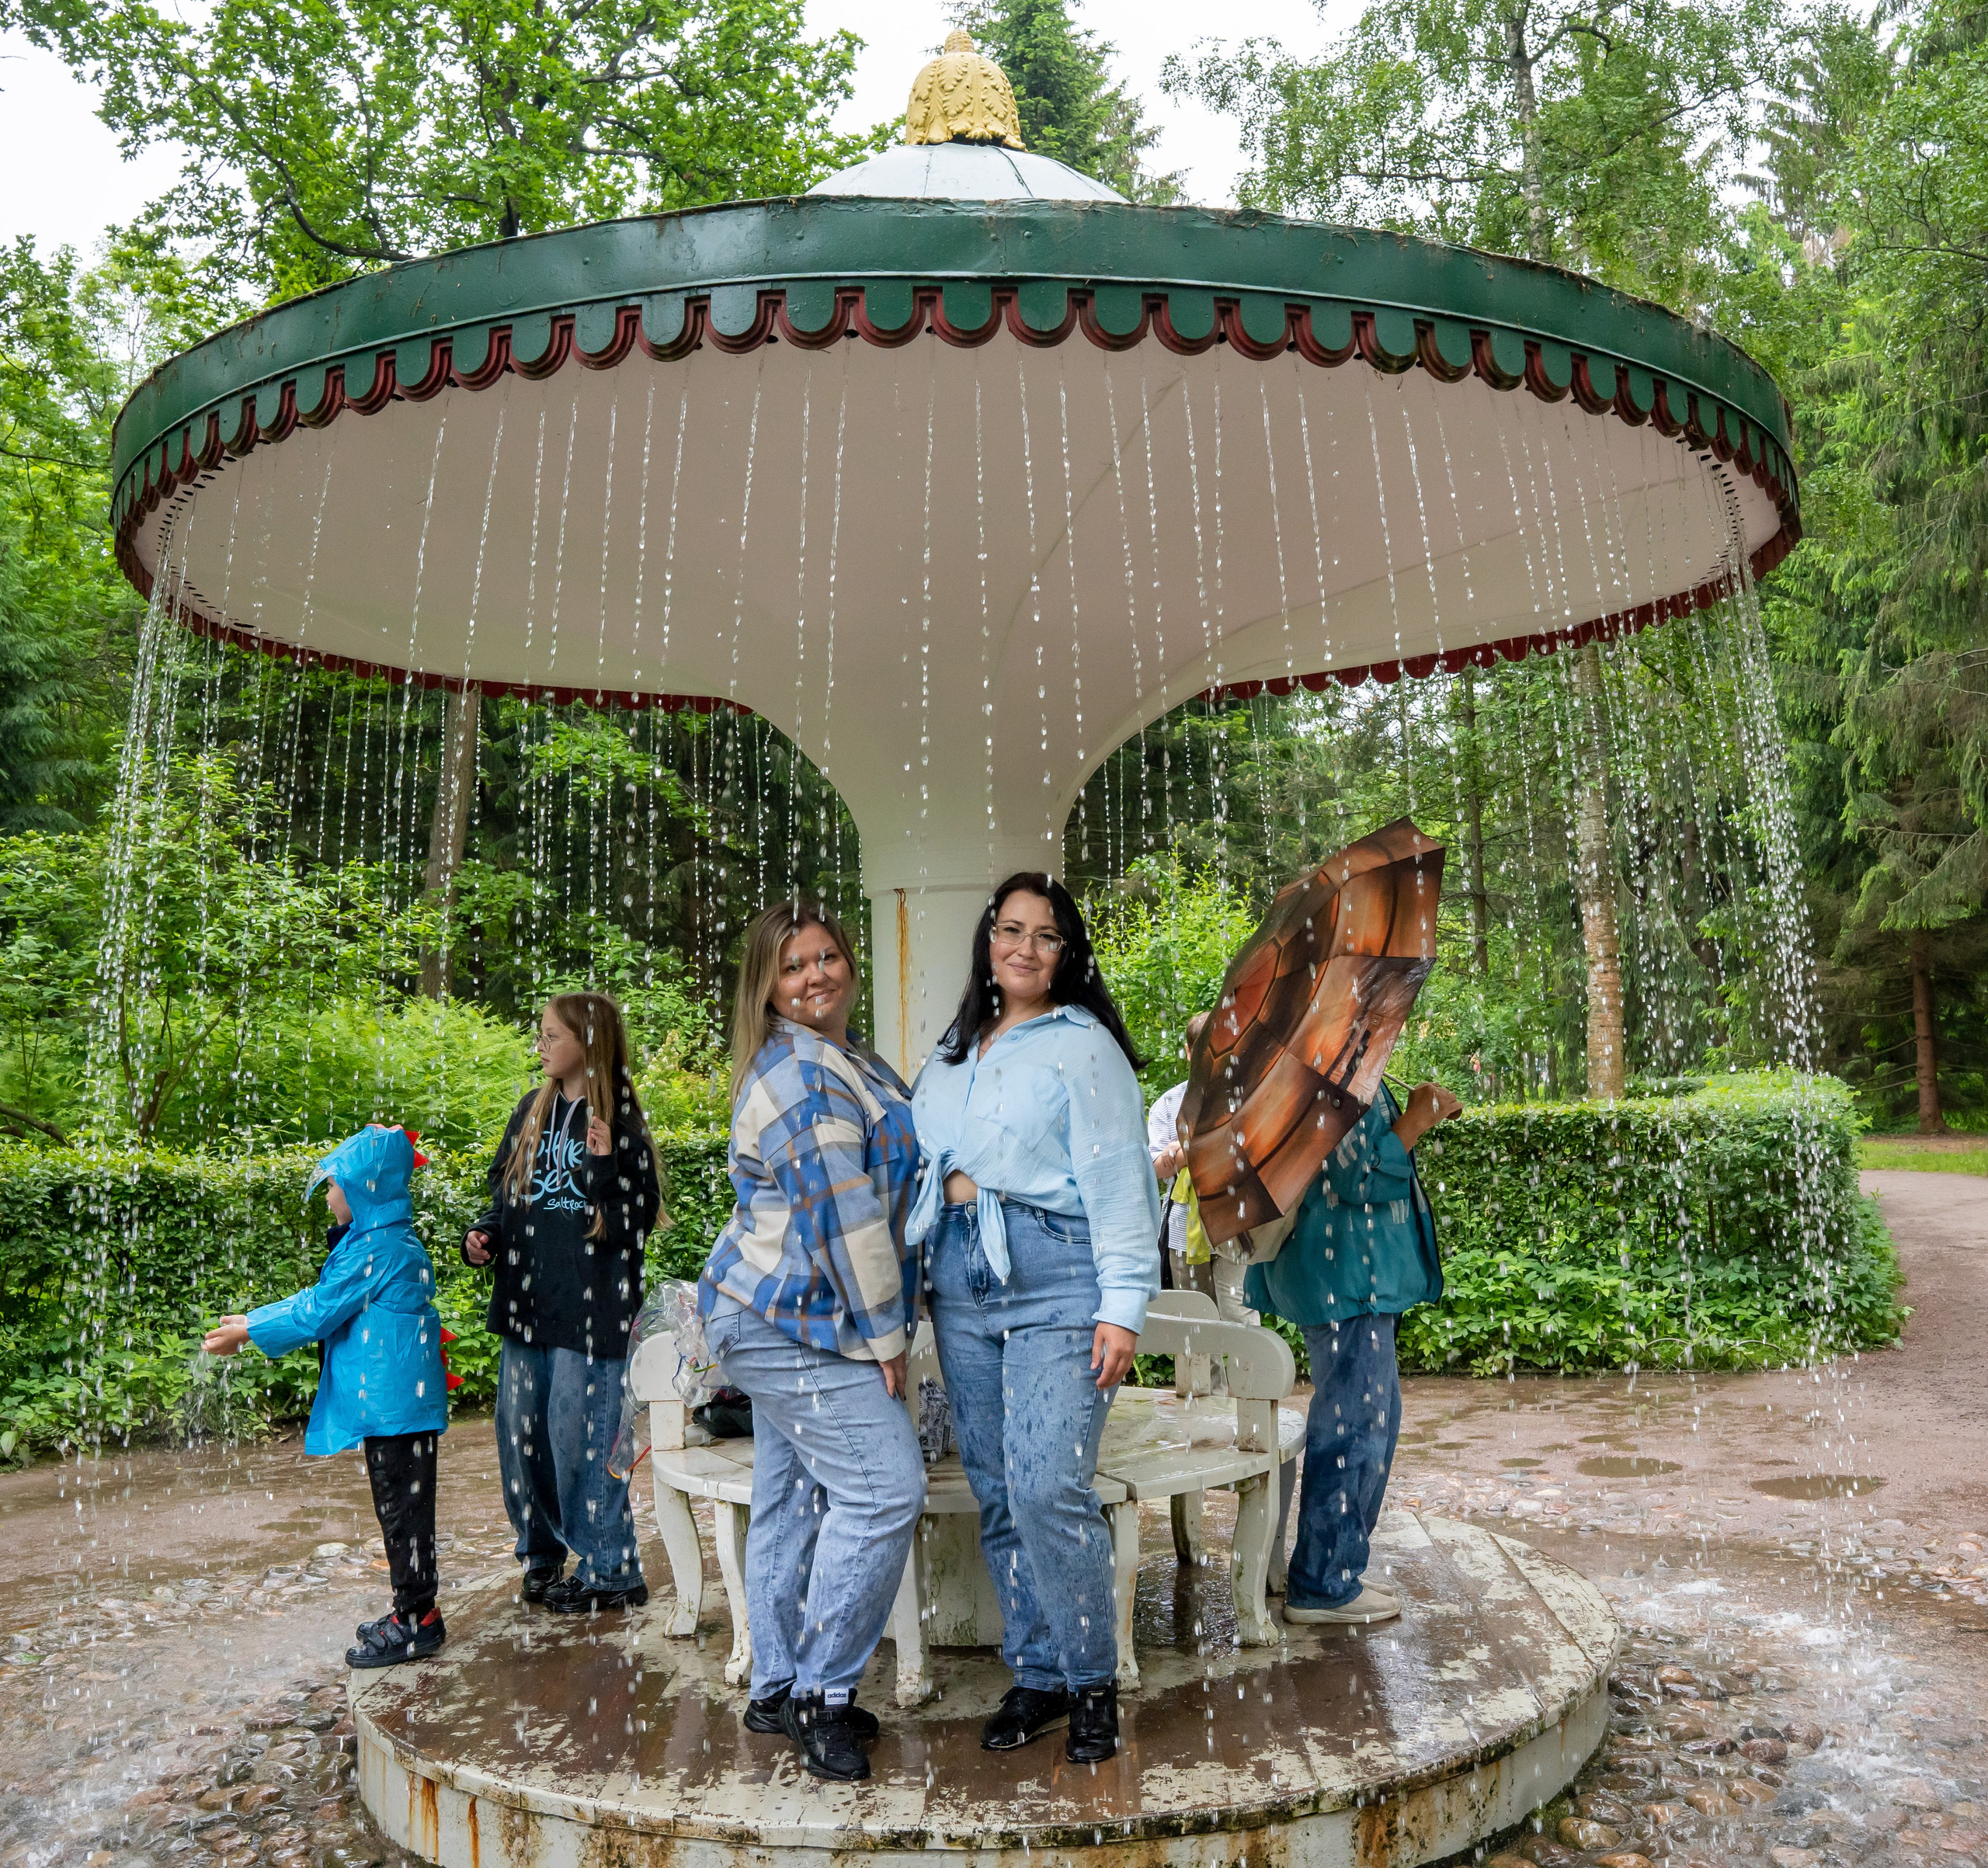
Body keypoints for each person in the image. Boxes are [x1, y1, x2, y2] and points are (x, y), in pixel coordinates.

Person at [908, 873, 1160, 1765]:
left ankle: (1091, 1682)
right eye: (1010, 930)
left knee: (1048, 1482)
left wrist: (1122, 1305)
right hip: (956, 1275)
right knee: (997, 1485)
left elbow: (1119, 1177)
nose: (1024, 947)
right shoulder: (951, 1054)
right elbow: (913, 1166)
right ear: (988, 942)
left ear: (1066, 953)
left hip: (1056, 1270)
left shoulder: (1083, 1045)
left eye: (1045, 935)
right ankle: (1040, 1674)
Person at [697, 898, 924, 1784]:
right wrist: (888, 1338)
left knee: (789, 1498)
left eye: (826, 957)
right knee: (884, 1490)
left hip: (789, 1312)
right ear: (767, 986)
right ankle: (822, 1697)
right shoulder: (801, 1071)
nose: (814, 976)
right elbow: (844, 1219)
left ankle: (776, 1684)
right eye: (792, 966)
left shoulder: (843, 1055)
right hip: (788, 1319)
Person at [203, 1123, 450, 1667]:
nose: (329, 1195)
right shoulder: (381, 1243)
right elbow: (322, 1297)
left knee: (403, 1512)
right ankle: (412, 1610)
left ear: (363, 1189)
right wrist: (252, 1321)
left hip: (397, 1410)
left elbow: (319, 1311)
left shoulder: (377, 1249)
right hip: (398, 1407)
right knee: (402, 1508)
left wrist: (250, 1330)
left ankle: (418, 1621)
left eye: (335, 1185)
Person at [461, 991, 659, 1613]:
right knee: (522, 1441)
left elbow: (633, 1225)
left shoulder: (620, 1124)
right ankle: (542, 1557)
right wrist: (486, 1234)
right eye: (541, 1034)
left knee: (583, 1443)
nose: (541, 1045)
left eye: (552, 1036)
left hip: (591, 1315)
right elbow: (506, 1193)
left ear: (589, 1043)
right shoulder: (532, 1110)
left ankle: (611, 1569)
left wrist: (602, 1167)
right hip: (527, 1307)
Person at [1244, 1077, 1461, 1625]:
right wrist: (1417, 1119)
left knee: (1372, 1420)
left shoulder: (1345, 1068)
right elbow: (1360, 1176)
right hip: (1346, 1277)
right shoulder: (1338, 1073)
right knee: (1354, 1429)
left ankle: (1336, 1569)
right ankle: (1323, 1585)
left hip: (1349, 1275)